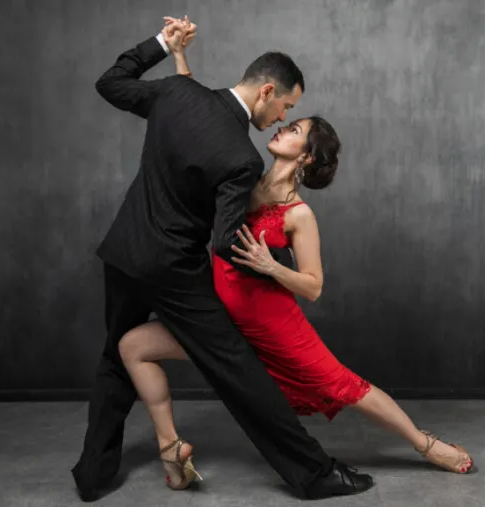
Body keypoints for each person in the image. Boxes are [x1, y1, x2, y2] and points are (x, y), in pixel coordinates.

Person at [117, 16, 475, 492]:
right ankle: (171, 450)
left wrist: (270, 266)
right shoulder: (242, 175)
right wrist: (180, 58)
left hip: (273, 325)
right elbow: (199, 119)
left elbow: (314, 286)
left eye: (295, 127)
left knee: (344, 386)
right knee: (133, 347)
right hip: (220, 319)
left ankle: (426, 444)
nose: (283, 123)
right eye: (288, 114)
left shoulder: (299, 215)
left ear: (304, 156)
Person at [71, 16, 374, 501]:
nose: (281, 117)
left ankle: (92, 476)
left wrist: (163, 43)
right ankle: (313, 473)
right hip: (173, 270)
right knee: (240, 372)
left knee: (114, 357)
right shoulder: (242, 158)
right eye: (286, 107)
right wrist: (269, 258)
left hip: (124, 252)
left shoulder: (176, 93)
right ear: (267, 91)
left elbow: (111, 83)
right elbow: (223, 241)